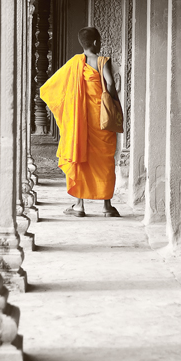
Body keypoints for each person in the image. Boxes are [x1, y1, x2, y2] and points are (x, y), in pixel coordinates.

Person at [39, 26, 120, 218]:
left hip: (80, 122)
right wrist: (115, 102)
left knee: (79, 155)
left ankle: (79, 205)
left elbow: (51, 87)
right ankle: (107, 206)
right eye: (98, 40)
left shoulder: (74, 63)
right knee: (104, 160)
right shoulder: (102, 61)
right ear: (95, 43)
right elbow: (110, 84)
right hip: (102, 119)